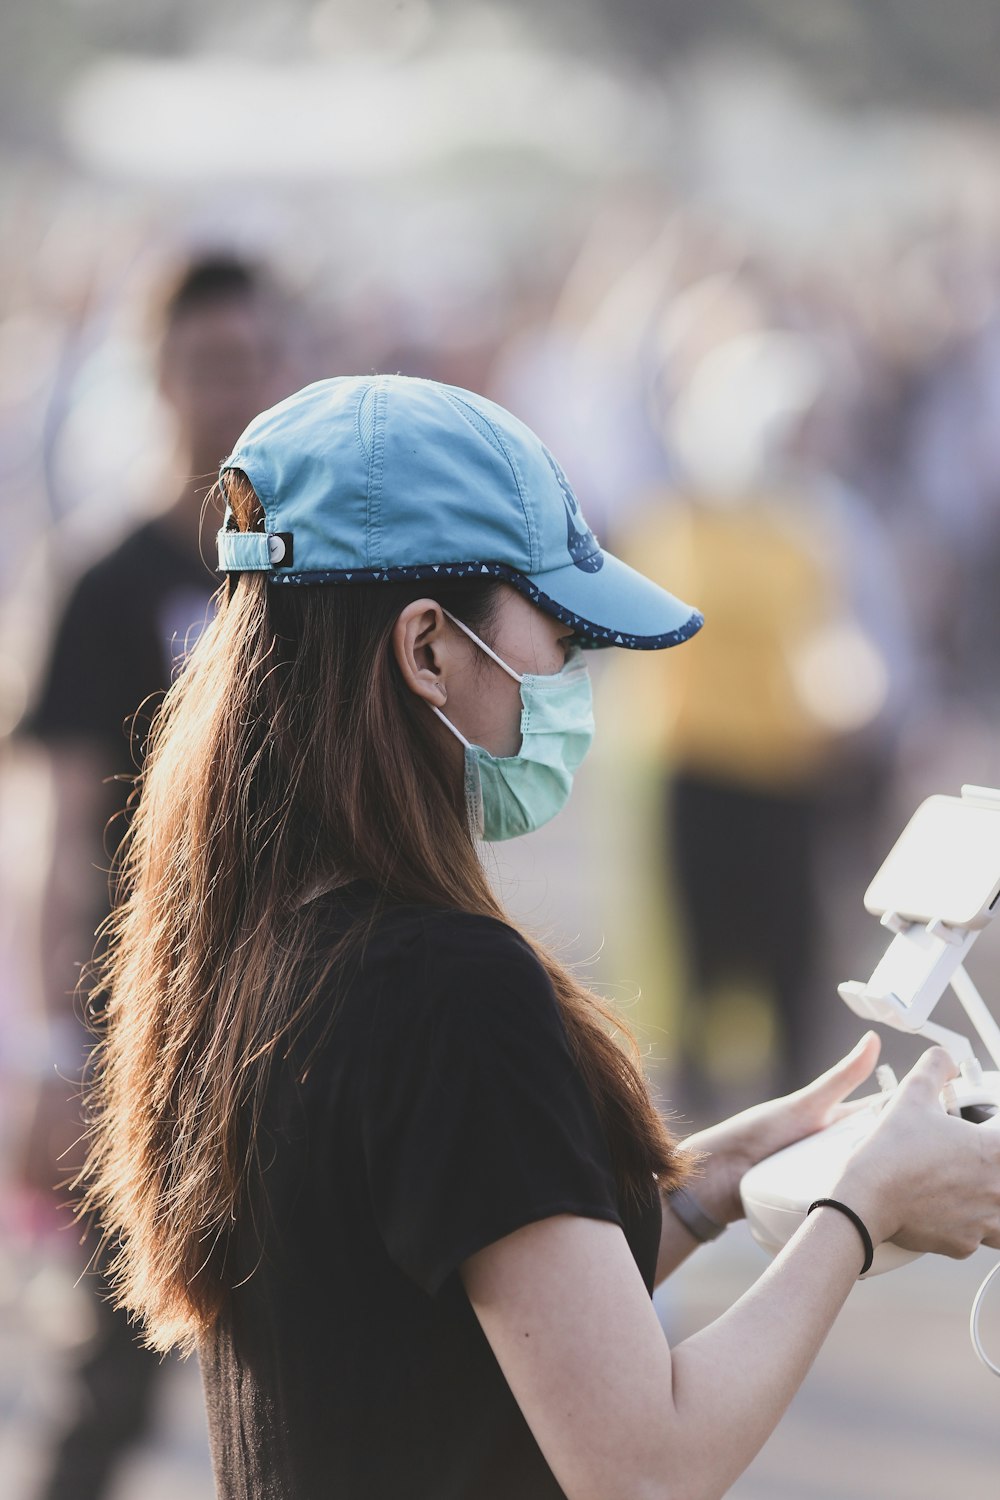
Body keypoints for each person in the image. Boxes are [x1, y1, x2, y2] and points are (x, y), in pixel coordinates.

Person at [80, 375, 1000, 1500]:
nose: (575, 681)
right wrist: (860, 1214)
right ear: (426, 648)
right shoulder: (447, 985)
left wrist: (711, 1184)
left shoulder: (257, 941)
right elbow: (645, 1463)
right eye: (559, 636)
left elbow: (449, 1325)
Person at [20, 252, 290, 1500]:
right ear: (160, 376)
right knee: (111, 1377)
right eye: (206, 365)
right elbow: (62, 825)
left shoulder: (305, 579)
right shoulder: (104, 576)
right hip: (145, 1034)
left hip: (298, 1021)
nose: (230, 391)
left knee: (317, 1380)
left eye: (251, 362)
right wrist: (43, 1050)